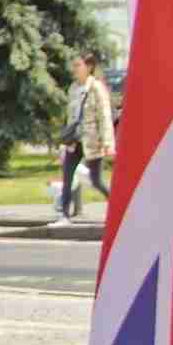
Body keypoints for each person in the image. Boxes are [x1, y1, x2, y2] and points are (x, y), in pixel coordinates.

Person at [57, 51, 116, 223]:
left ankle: (118, 209)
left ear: (89, 67)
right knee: (67, 178)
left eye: (78, 65)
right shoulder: (73, 88)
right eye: (73, 66)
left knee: (96, 181)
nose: (74, 69)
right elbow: (71, 116)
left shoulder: (96, 87)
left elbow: (104, 117)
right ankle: (64, 216)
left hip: (92, 141)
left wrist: (107, 143)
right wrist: (66, 139)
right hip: (74, 141)